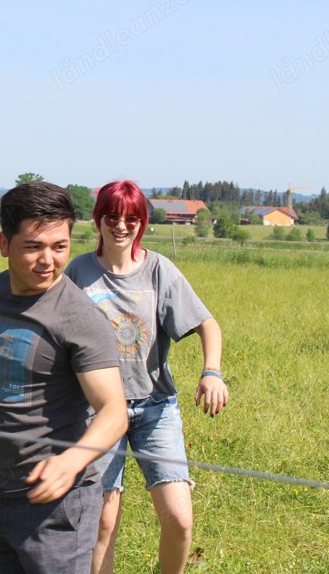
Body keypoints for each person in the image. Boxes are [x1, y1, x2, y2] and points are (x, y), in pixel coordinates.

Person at [0, 182, 128, 573]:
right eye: (33, 246)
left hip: (57, 506)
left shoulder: (80, 319)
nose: (48, 261)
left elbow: (113, 412)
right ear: (4, 244)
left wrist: (71, 461)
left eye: (60, 246)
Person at [64, 180, 229, 574]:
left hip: (155, 408)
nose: (121, 226)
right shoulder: (78, 272)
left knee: (180, 519)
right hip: (98, 410)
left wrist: (212, 371)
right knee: (102, 522)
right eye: (112, 216)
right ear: (98, 219)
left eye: (131, 218)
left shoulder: (159, 271)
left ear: (142, 223)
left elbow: (208, 325)